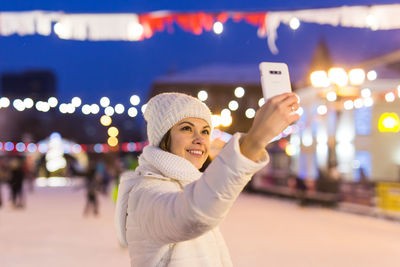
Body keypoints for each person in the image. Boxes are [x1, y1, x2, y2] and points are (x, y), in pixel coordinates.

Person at [115, 92, 300, 266]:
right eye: (186, 128)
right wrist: (256, 139)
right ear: (163, 137)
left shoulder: (185, 186)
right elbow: (193, 214)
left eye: (205, 131)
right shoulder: (145, 194)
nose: (199, 139)